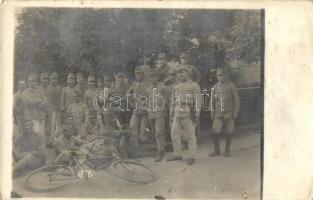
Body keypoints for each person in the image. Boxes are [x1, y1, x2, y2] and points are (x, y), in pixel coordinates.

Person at [166, 66, 202, 165]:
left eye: (183, 72)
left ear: (188, 73)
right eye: (179, 73)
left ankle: (192, 156)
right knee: (174, 134)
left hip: (188, 112)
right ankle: (177, 154)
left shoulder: (194, 85)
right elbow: (173, 101)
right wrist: (171, 115)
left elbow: (198, 101)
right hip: (177, 113)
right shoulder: (176, 86)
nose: (181, 74)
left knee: (190, 135)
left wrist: (197, 114)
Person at [209, 67, 240, 157]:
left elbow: (237, 101)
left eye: (222, 75)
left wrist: (235, 114)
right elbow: (212, 102)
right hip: (218, 114)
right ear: (216, 76)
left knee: (229, 132)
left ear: (226, 75)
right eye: (219, 75)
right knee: (215, 131)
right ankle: (216, 149)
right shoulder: (214, 87)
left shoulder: (231, 86)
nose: (220, 77)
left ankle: (227, 150)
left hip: (229, 114)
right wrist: (212, 113)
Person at [147, 69, 169, 162]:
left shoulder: (163, 87)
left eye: (154, 76)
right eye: (151, 77)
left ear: (157, 77)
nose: (152, 79)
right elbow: (148, 101)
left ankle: (161, 152)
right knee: (155, 133)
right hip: (151, 113)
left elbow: (168, 100)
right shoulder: (149, 89)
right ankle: (160, 149)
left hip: (160, 113)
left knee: (159, 133)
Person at [128, 66, 150, 155]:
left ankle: (144, 150)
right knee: (133, 129)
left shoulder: (147, 84)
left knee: (143, 131)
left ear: (143, 74)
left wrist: (148, 104)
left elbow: (152, 96)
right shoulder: (134, 84)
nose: (138, 76)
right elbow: (127, 94)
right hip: (136, 111)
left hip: (145, 111)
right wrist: (132, 104)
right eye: (136, 74)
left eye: (139, 73)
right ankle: (136, 149)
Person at [21, 73, 48, 142]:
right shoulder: (25, 92)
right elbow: (27, 101)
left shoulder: (41, 91)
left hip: (40, 117)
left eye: (35, 81)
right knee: (34, 136)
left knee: (41, 136)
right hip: (31, 118)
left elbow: (45, 102)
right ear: (28, 82)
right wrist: (38, 101)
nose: (34, 82)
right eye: (32, 81)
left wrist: (37, 103)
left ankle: (42, 151)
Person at [46, 72, 62, 138]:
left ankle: (58, 139)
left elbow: (61, 98)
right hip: (51, 109)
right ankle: (51, 139)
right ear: (50, 79)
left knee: (58, 125)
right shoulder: (48, 87)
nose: (55, 80)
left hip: (58, 108)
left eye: (56, 79)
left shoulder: (60, 87)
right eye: (53, 79)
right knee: (51, 125)